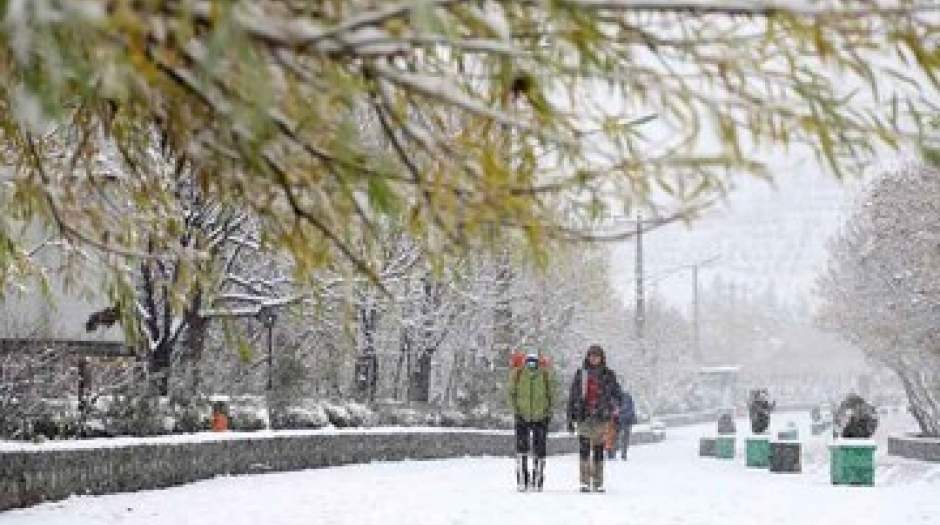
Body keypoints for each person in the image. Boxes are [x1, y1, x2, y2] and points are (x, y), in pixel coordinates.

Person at [567, 344, 623, 493]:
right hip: (584, 417)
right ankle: (584, 482)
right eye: (591, 356)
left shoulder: (609, 375)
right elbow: (572, 396)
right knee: (584, 450)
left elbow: (618, 395)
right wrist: (570, 417)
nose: (594, 358)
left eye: (596, 356)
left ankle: (598, 482)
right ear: (588, 357)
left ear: (601, 358)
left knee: (598, 450)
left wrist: (613, 408)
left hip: (601, 417)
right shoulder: (581, 374)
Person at [508, 350, 555, 492]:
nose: (531, 364)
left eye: (534, 361)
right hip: (522, 415)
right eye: (529, 361)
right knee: (521, 449)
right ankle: (522, 479)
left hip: (541, 417)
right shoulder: (518, 374)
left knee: (539, 450)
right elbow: (511, 393)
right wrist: (516, 411)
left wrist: (548, 413)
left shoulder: (545, 375)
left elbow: (551, 395)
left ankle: (537, 480)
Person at [616, 387, 636, 460]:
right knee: (625, 437)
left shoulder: (621, 397)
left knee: (621, 436)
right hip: (625, 420)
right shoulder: (627, 396)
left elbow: (630, 408)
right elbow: (632, 408)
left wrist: (619, 412)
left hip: (622, 420)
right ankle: (623, 452)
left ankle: (621, 452)